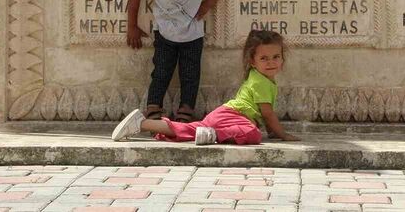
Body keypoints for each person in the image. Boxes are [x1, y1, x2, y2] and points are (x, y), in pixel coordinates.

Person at [112, 29, 300, 145]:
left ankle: (143, 123)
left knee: (191, 130)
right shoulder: (260, 81)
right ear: (252, 61)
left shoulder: (261, 78)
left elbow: (263, 113)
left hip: (229, 117)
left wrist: (273, 133)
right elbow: (267, 113)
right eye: (264, 58)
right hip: (232, 117)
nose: (271, 63)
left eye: (276, 57)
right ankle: (211, 134)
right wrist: (283, 134)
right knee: (253, 134)